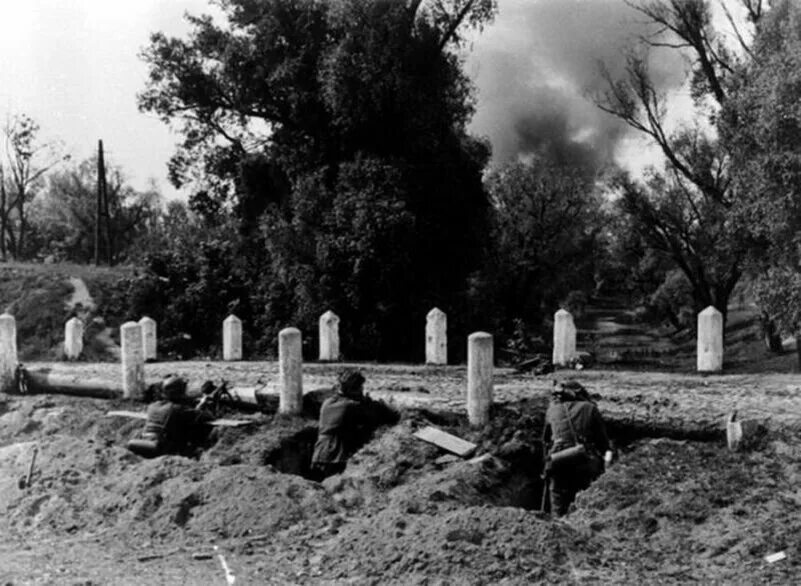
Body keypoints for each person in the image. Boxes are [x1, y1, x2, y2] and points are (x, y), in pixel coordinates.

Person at [542, 380, 611, 516]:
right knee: (587, 506)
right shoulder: (590, 408)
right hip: (584, 464)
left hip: (557, 462)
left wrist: (546, 468)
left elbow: (545, 441)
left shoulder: (552, 411)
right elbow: (603, 444)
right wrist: (607, 465)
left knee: (557, 505)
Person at [127, 374, 215, 458]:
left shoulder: (153, 406)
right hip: (164, 448)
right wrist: (202, 406)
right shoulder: (178, 409)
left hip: (146, 441)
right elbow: (208, 417)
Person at [310, 369, 369, 480]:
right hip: (335, 456)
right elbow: (372, 417)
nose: (362, 389)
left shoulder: (328, 402)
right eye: (360, 387)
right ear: (353, 389)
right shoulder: (350, 406)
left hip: (319, 454)